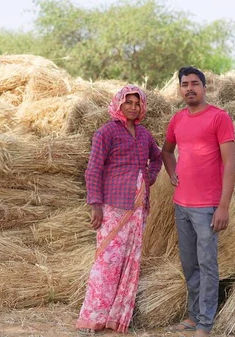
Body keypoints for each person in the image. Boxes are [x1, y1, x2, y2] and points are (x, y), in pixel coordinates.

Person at [76, 84, 163, 335]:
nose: (133, 107)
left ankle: (116, 318)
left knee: (130, 262)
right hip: (114, 206)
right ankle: (92, 318)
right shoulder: (106, 133)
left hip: (138, 209)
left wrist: (150, 176)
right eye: (129, 102)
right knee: (107, 262)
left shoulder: (144, 135)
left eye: (137, 103)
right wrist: (94, 204)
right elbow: (93, 169)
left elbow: (156, 158)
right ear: (119, 104)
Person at [161, 67, 235, 337]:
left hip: (207, 208)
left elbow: (230, 164)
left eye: (195, 83)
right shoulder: (178, 119)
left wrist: (223, 206)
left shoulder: (219, 117)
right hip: (181, 204)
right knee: (189, 263)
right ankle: (193, 317)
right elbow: (166, 151)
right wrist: (172, 174)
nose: (189, 88)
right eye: (184, 84)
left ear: (204, 87)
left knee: (207, 264)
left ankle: (205, 323)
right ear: (180, 89)